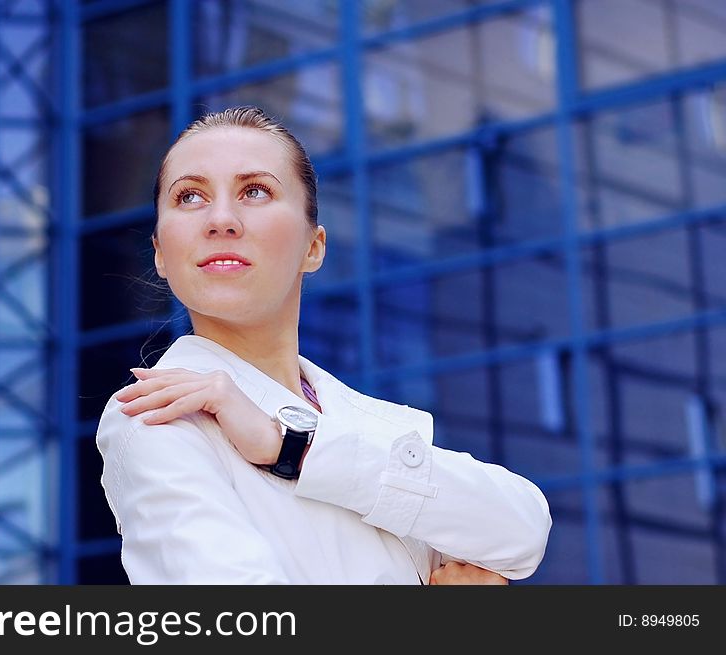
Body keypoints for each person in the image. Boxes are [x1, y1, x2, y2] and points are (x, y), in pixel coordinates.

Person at [95, 105, 552, 585]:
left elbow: (524, 530)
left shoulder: (352, 420)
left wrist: (292, 446)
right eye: (190, 196)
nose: (221, 219)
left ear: (313, 247)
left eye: (255, 191)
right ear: (161, 253)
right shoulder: (157, 417)